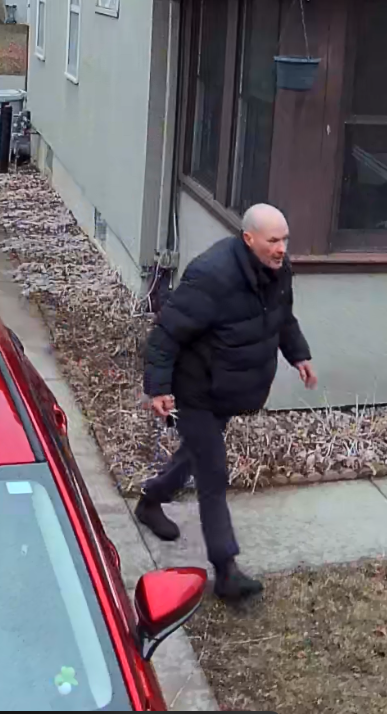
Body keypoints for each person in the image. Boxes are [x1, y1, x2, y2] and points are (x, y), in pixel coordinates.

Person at [134, 203, 317, 602]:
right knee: (213, 475)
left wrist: (298, 355)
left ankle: (150, 501)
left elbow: (282, 317)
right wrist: (159, 389)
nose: (282, 248)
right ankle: (226, 571)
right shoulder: (211, 275)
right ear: (248, 238)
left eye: (285, 239)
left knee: (197, 454)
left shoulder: (275, 269)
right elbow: (166, 334)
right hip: (195, 389)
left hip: (224, 388)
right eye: (273, 240)